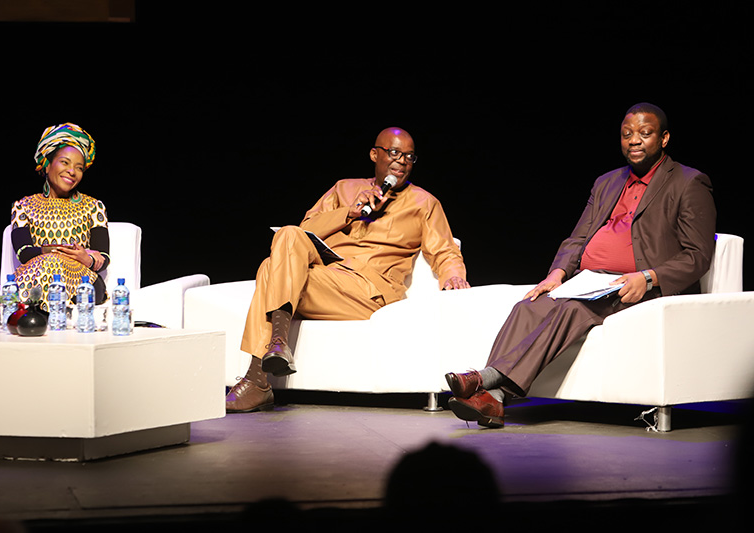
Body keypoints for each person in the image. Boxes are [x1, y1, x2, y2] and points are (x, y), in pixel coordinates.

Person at [445, 103, 717, 428]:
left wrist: (649, 277)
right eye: (627, 134)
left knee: (572, 310)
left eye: (644, 134)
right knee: (528, 306)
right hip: (590, 281)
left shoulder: (688, 182)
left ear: (664, 138)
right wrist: (557, 274)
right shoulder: (607, 182)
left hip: (642, 286)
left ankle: (486, 380)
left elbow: (697, 254)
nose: (634, 140)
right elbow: (578, 238)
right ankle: (495, 400)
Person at [227, 127, 470, 413]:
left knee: (269, 270)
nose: (401, 161)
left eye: (409, 156)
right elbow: (303, 232)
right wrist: (348, 213)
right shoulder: (344, 189)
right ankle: (277, 347)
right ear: (374, 154)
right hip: (327, 278)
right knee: (285, 241)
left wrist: (454, 275)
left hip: (368, 291)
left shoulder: (424, 203)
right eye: (394, 152)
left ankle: (257, 379)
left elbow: (445, 249)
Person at [9, 122, 110, 309]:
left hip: (84, 282)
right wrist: (55, 252)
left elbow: (103, 256)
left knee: (51, 263)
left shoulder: (94, 206)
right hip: (36, 274)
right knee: (50, 263)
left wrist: (88, 259)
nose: (72, 171)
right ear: (46, 165)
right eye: (65, 162)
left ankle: (27, 317)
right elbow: (24, 253)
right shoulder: (23, 206)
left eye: (79, 168)